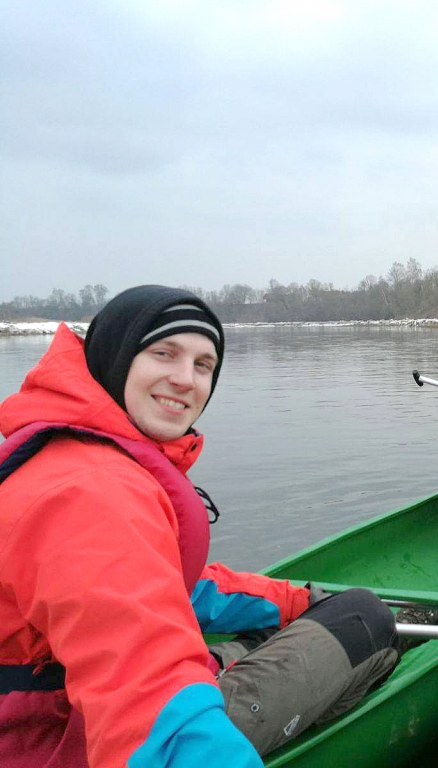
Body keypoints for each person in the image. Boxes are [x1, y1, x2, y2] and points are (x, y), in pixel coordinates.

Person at [0, 285, 399, 767]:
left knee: (277, 629)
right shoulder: (90, 491)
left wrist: (293, 601)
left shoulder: (67, 458)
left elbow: (155, 585)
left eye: (203, 365)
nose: (185, 379)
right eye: (164, 353)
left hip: (50, 713)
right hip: (59, 743)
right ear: (115, 357)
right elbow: (145, 702)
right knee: (363, 618)